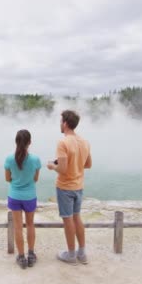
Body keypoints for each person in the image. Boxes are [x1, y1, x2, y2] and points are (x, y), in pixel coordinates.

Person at [47, 110, 92, 265]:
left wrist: (52, 166)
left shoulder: (63, 142)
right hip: (79, 186)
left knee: (68, 220)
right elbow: (88, 164)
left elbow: (63, 169)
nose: (60, 124)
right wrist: (75, 164)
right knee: (77, 217)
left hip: (65, 187)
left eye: (61, 122)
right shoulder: (84, 142)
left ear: (65, 123)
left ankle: (71, 255)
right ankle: (82, 254)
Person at [4, 129, 41, 269]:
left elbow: (7, 179)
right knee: (30, 224)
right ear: (29, 142)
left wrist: (17, 180)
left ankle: (21, 257)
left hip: (14, 196)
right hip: (30, 196)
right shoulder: (35, 160)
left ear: (16, 142)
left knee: (18, 227)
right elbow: (35, 179)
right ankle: (31, 255)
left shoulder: (9, 159)